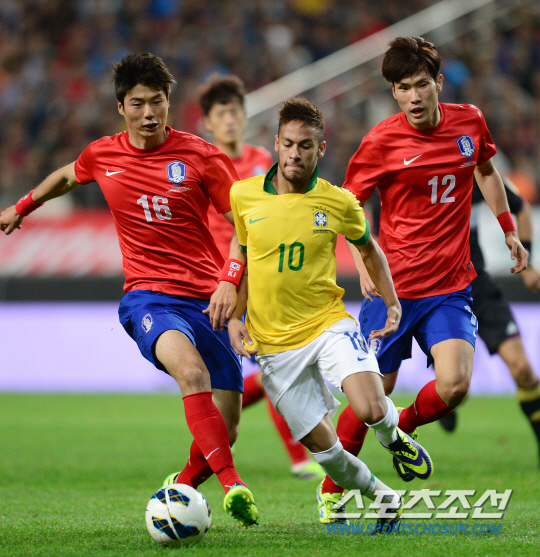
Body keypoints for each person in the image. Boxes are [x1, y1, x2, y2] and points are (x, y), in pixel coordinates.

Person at [0, 53, 258, 528]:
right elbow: (66, 176)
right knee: (191, 373)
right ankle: (232, 484)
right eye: (137, 104)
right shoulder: (103, 154)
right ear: (121, 107)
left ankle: (178, 490)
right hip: (149, 297)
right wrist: (22, 206)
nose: (148, 113)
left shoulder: (201, 156)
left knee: (227, 429)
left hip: (208, 299)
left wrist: (229, 279)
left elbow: (245, 224)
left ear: (168, 101)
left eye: (157, 101)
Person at [317, 35, 528, 503]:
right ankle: (332, 490)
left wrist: (509, 229)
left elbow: (486, 170)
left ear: (438, 83)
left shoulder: (469, 122)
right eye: (402, 88)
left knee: (455, 385)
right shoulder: (381, 141)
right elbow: (349, 204)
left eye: (420, 85)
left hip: (450, 285)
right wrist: (363, 260)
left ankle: (402, 430)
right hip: (393, 289)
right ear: (393, 92)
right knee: (371, 397)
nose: (413, 97)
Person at [227, 97, 434, 528]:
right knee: (328, 454)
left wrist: (392, 302)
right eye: (288, 144)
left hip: (328, 325)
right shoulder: (243, 195)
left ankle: (392, 434)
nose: (295, 154)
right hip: (273, 347)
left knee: (371, 407)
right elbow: (244, 257)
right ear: (276, 143)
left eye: (305, 145)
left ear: (320, 149)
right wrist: (233, 317)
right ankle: (383, 495)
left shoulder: (338, 201)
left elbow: (369, 249)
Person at [199, 74, 324, 480]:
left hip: (262, 278)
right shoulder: (201, 164)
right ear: (208, 122)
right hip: (219, 282)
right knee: (238, 375)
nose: (230, 120)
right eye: (222, 114)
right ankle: (210, 451)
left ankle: (296, 456)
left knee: (274, 363)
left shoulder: (264, 162)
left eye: (235, 112)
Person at [437, 177, 540, 463]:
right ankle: (445, 403)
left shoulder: (474, 173)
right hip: (441, 294)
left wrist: (529, 263)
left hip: (479, 286)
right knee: (457, 387)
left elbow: (521, 208)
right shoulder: (419, 174)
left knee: (523, 369)